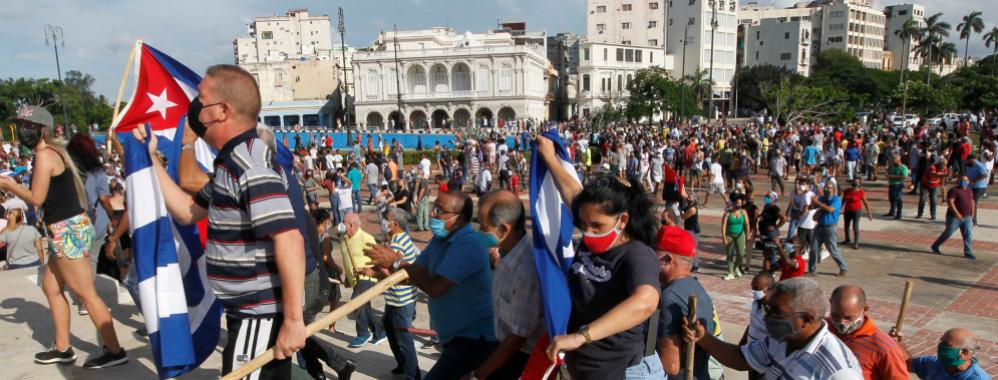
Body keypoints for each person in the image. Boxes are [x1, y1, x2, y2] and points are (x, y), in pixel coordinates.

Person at [132, 65, 305, 378]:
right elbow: (188, 210)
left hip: (258, 315)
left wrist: (293, 322)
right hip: (246, 312)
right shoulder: (230, 162)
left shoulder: (249, 164)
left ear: (223, 111)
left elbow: (289, 239)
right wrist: (150, 161)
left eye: (201, 98)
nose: (195, 106)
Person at [0, 106, 127, 368]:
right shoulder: (51, 153)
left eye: (27, 125)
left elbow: (36, 199)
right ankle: (62, 347)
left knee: (86, 294)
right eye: (20, 124)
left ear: (40, 128)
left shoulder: (45, 155)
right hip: (65, 228)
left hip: (66, 230)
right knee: (51, 287)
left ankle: (115, 350)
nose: (22, 130)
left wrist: (10, 185)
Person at [537, 136, 662, 380]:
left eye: (597, 225)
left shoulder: (636, 255)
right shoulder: (591, 225)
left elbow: (645, 302)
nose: (588, 231)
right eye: (583, 224)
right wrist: (549, 158)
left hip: (619, 371)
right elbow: (573, 192)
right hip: (583, 368)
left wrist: (581, 336)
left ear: (622, 220)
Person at [365, 190, 497, 380]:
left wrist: (396, 262)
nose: (432, 214)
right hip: (454, 339)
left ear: (459, 218)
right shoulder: (439, 240)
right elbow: (417, 272)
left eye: (439, 210)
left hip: (474, 340)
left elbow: (435, 287)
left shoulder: (468, 245)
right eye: (434, 208)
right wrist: (384, 271)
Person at [683, 277, 863, 379]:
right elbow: (740, 359)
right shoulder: (781, 339)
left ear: (806, 319)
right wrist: (703, 337)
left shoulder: (840, 372)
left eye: (776, 311)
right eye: (767, 308)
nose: (767, 316)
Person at [468, 190, 543, 380]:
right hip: (500, 347)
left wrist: (478, 376)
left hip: (517, 359)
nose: (479, 232)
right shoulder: (506, 254)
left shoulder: (526, 270)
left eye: (483, 226)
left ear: (503, 230)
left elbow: (517, 338)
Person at [653, 225, 715, 379]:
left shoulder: (669, 297)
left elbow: (671, 366)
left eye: (652, 255)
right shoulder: (696, 287)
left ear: (666, 260)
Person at [827, 285, 909, 380]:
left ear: (864, 310)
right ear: (830, 303)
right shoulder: (822, 329)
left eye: (848, 318)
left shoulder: (884, 347)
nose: (841, 322)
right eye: (836, 316)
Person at [379, 207, 421, 380]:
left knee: (403, 340)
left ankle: (412, 375)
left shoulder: (397, 244)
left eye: (386, 219)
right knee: (390, 328)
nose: (383, 222)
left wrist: (376, 269)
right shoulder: (402, 237)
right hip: (400, 297)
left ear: (394, 223)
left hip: (400, 299)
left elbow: (392, 273)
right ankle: (403, 365)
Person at [338, 213, 387, 347]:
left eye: (344, 223)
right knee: (364, 306)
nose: (341, 225)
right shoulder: (343, 238)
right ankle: (380, 332)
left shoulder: (366, 238)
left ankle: (363, 333)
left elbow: (379, 258)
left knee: (356, 301)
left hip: (368, 277)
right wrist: (348, 278)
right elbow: (346, 259)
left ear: (351, 225)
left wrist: (374, 272)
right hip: (355, 280)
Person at [892, 328, 991, 380]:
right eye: (941, 342)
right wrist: (896, 344)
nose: (940, 346)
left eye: (946, 344)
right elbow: (907, 363)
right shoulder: (935, 363)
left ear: (965, 353)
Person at [930, 176, 976, 260]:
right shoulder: (954, 191)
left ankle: (968, 252)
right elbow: (950, 202)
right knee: (948, 232)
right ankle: (935, 245)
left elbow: (972, 202)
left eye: (965, 180)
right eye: (961, 180)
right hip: (953, 217)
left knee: (968, 234)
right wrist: (957, 214)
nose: (963, 182)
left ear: (968, 181)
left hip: (967, 217)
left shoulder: (969, 190)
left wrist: (972, 214)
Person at [739, 272, 774, 380]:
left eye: (757, 288)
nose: (753, 291)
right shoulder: (756, 303)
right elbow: (752, 324)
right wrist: (741, 345)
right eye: (752, 287)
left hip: (764, 361)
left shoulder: (773, 311)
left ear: (768, 289)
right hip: (751, 356)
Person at [810, 181, 848, 277]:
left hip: (830, 228)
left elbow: (830, 209)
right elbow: (812, 207)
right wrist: (813, 202)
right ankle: (812, 270)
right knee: (814, 248)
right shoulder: (822, 198)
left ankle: (843, 267)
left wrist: (818, 203)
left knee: (832, 250)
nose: (826, 189)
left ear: (834, 190)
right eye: (825, 188)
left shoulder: (836, 200)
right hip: (819, 226)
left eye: (829, 188)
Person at [722, 195, 751, 280]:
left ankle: (735, 268)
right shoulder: (727, 213)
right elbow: (723, 226)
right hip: (729, 235)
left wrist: (747, 233)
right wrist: (724, 237)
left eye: (740, 203)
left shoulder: (743, 212)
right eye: (737, 203)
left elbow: (747, 224)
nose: (739, 205)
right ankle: (730, 272)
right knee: (729, 254)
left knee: (741, 254)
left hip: (740, 235)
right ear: (733, 203)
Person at [840, 179, 873, 250]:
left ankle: (856, 242)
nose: (855, 184)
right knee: (846, 225)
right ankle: (847, 239)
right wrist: (839, 209)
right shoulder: (847, 191)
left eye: (857, 183)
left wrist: (869, 213)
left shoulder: (861, 192)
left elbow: (866, 203)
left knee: (855, 226)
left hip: (856, 210)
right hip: (847, 210)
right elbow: (843, 201)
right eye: (854, 182)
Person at [965, 155, 989, 226]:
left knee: (974, 202)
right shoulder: (968, 166)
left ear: (973, 159)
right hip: (971, 186)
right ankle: (969, 218)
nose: (967, 162)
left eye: (968, 160)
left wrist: (974, 180)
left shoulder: (979, 165)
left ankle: (974, 220)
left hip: (979, 187)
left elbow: (985, 175)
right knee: (969, 202)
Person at [885, 155, 908, 220]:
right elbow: (889, 173)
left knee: (898, 199)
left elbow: (905, 176)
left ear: (898, 160)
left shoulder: (903, 167)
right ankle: (892, 212)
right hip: (891, 184)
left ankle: (899, 214)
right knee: (891, 199)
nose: (893, 161)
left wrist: (893, 176)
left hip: (898, 185)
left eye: (894, 160)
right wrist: (887, 172)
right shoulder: (892, 167)